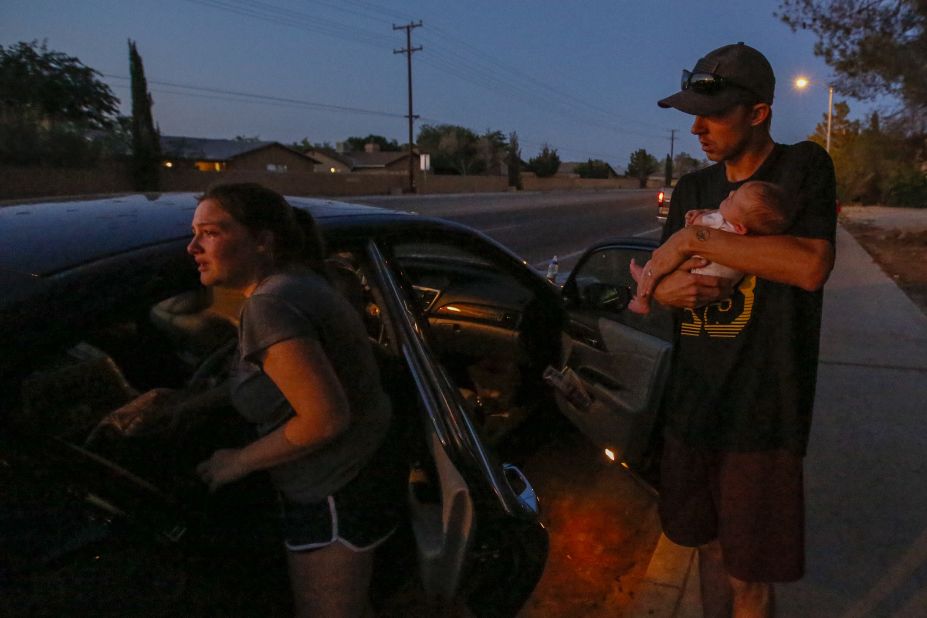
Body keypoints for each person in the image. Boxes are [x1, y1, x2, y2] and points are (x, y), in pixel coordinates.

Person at [634, 43, 837, 617]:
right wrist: (667, 293)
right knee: (707, 549)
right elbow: (661, 283)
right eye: (693, 112)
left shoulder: (803, 169)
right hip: (693, 406)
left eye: (713, 112)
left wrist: (698, 240)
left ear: (758, 112)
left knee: (750, 576)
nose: (696, 126)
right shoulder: (694, 189)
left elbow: (809, 265)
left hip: (763, 414)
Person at [187, 183, 403, 618]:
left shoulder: (270, 305)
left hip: (333, 493)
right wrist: (182, 405)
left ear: (263, 240)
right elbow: (275, 381)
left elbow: (324, 419)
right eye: (194, 233)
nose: (192, 246)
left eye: (210, 232)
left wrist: (236, 462)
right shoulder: (302, 278)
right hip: (365, 470)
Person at [628, 180, 791, 314]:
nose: (731, 193)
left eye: (732, 199)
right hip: (712, 291)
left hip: (697, 272)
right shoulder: (751, 235)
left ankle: (642, 299)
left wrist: (695, 216)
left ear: (740, 228)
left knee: (655, 265)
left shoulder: (723, 224)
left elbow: (697, 226)